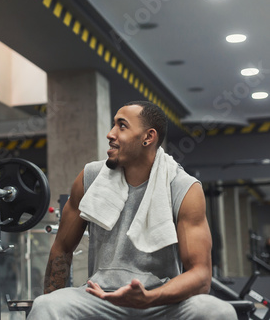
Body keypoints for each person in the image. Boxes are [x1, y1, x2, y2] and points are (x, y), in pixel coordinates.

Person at [28, 101, 237, 319]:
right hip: (100, 299)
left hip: (161, 301)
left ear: (148, 137)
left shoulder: (183, 187)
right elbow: (61, 248)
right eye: (113, 125)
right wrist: (54, 302)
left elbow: (201, 276)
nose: (110, 134)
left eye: (122, 126)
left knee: (218, 312)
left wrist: (150, 298)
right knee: (46, 306)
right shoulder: (90, 178)